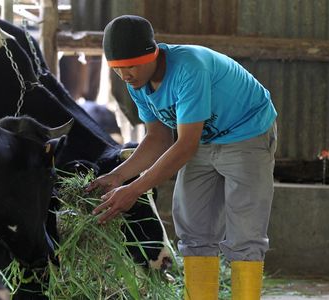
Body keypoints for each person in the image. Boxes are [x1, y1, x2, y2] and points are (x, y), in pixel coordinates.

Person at [87, 15, 277, 299]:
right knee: (193, 226)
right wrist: (118, 176)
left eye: (130, 67)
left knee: (245, 233)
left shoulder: (188, 67)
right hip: (202, 137)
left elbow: (184, 145)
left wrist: (135, 190)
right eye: (117, 70)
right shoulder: (137, 83)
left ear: (153, 53)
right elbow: (159, 138)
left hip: (245, 132)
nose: (125, 76)